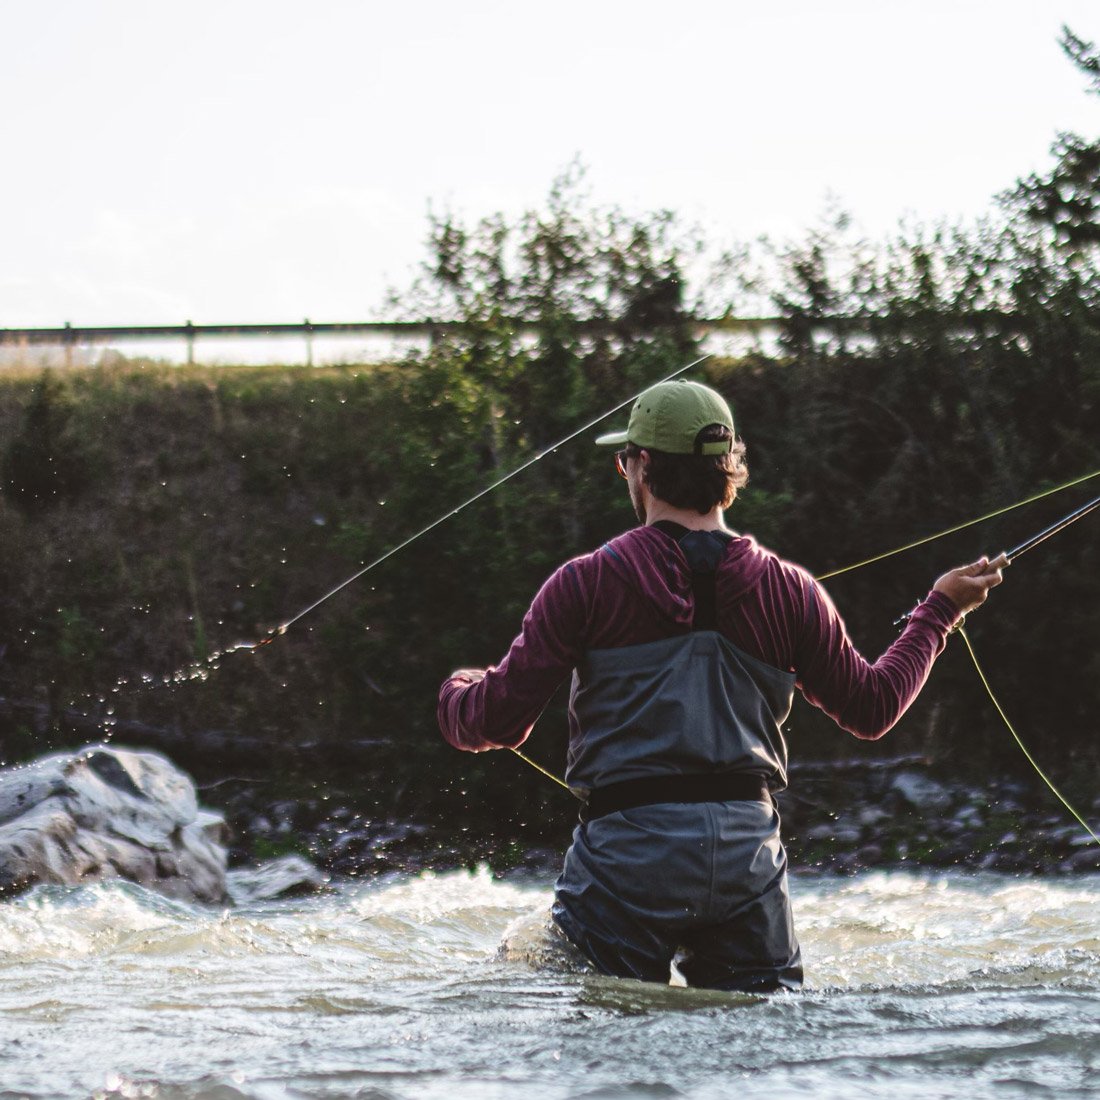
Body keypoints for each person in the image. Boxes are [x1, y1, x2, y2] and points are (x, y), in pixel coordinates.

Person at [437, 379, 1006, 992]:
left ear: (644, 466)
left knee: (608, 1041)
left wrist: (456, 692)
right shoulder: (792, 590)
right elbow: (873, 707)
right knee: (748, 1057)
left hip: (627, 859)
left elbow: (496, 722)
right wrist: (940, 612)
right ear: (727, 467)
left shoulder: (585, 583)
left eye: (626, 457)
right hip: (746, 859)